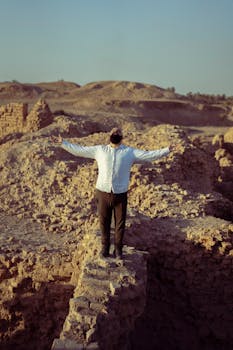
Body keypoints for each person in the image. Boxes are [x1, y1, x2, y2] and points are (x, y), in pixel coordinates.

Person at [51, 127, 178, 259]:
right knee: (104, 222)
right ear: (109, 135)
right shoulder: (99, 150)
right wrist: (62, 143)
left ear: (122, 137)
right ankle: (105, 249)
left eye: (118, 132)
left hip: (120, 194)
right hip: (102, 192)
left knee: (120, 224)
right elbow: (79, 150)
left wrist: (167, 150)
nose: (115, 134)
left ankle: (118, 250)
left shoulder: (129, 152)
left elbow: (149, 155)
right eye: (113, 132)